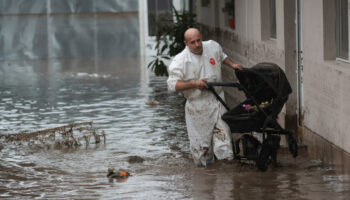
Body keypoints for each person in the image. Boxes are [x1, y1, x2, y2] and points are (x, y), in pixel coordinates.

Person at [167, 28, 242, 167]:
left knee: (224, 142)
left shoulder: (212, 46)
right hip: (197, 107)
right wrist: (195, 84)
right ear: (186, 43)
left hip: (218, 101)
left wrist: (233, 65)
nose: (197, 45)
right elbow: (172, 85)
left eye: (198, 40)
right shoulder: (180, 60)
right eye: (192, 42)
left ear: (201, 37)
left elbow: (222, 55)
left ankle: (225, 179)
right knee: (202, 150)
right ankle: (203, 179)